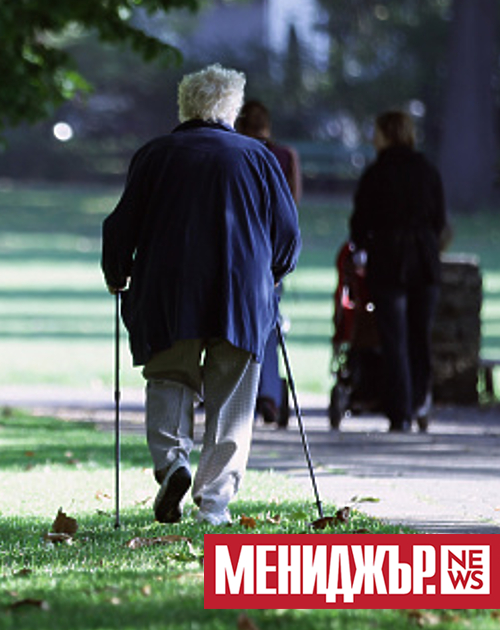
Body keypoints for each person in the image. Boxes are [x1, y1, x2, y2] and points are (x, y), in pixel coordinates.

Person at [101, 65, 301, 526]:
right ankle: (213, 504)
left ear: (184, 105)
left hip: (169, 291)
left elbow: (121, 225)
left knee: (170, 378)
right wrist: (274, 273)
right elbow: (288, 233)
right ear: (232, 109)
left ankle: (173, 463)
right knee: (231, 398)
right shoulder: (258, 157)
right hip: (241, 294)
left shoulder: (154, 155)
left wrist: (117, 273)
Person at [349, 110, 448, 433]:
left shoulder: (376, 173)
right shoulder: (427, 170)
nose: (372, 138)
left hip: (388, 258)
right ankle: (420, 399)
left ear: (387, 134)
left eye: (376, 132)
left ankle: (400, 411)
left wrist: (362, 246)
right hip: (423, 259)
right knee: (420, 335)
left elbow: (360, 221)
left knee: (394, 338)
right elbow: (439, 220)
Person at [235, 100, 303, 427]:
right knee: (269, 322)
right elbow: (292, 204)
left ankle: (239, 393)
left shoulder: (235, 153)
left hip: (238, 250)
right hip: (271, 252)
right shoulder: (285, 156)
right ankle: (270, 393)